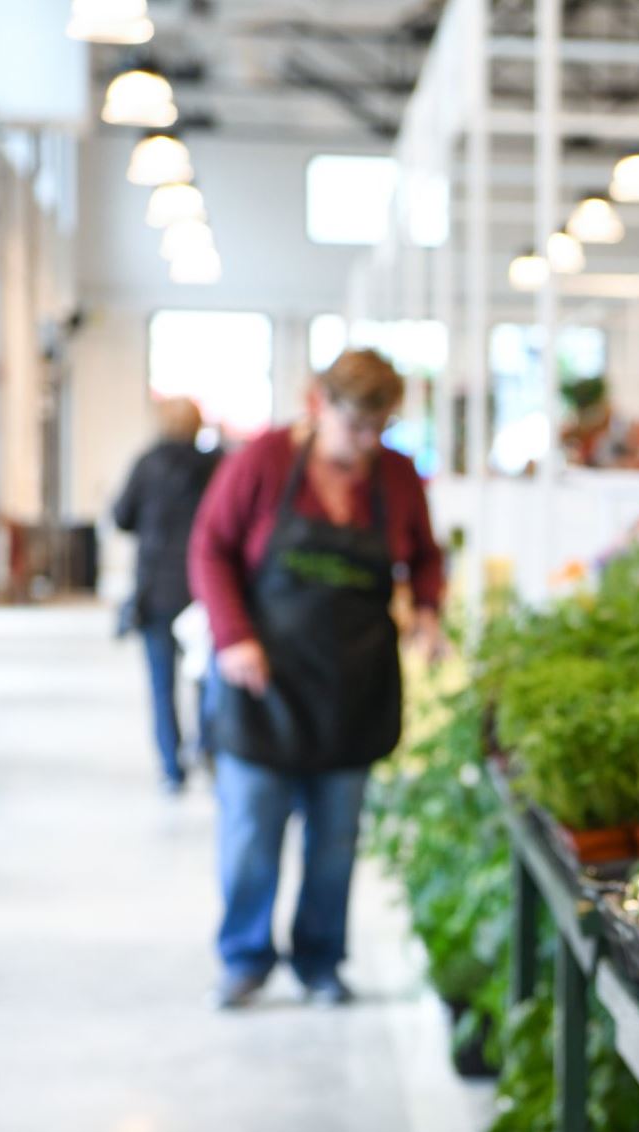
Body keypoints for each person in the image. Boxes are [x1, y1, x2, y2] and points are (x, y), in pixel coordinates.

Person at [188, 349, 445, 1009]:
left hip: (353, 687)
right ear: (317, 404)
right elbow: (209, 547)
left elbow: (423, 555)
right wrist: (233, 635)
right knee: (252, 835)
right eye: (353, 427)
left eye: (377, 430)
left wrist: (427, 609)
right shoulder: (264, 462)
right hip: (262, 686)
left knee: (335, 842)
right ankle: (244, 959)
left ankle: (320, 960)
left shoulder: (396, 475)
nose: (364, 445)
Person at [112, 397, 219, 792]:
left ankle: (171, 767)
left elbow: (122, 516)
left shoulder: (148, 464)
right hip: (204, 591)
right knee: (208, 678)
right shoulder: (216, 466)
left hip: (156, 588)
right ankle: (207, 747)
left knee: (162, 684)